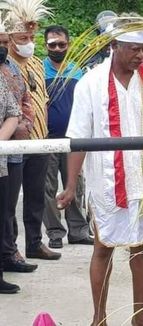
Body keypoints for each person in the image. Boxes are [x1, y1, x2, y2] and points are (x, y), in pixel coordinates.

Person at [56, 15, 143, 326]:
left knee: (141, 247)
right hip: (106, 182)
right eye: (134, 49)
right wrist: (70, 187)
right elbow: (78, 139)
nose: (141, 56)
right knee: (103, 247)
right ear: (114, 46)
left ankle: (140, 316)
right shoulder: (90, 83)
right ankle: (99, 317)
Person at [3, 0, 61, 261]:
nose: (28, 41)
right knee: (9, 201)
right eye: (22, 37)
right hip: (14, 143)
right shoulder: (6, 66)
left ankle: (35, 243)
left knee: (36, 196)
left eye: (31, 36)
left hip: (40, 140)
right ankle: (10, 248)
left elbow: (42, 99)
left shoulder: (37, 63)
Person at [42, 25, 93, 249]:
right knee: (48, 186)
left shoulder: (77, 72)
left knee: (75, 184)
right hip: (46, 139)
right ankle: (54, 232)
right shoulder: (38, 70)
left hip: (73, 139)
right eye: (52, 45)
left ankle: (78, 230)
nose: (57, 48)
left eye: (61, 44)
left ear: (68, 44)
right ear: (45, 46)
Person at [0, 16, 38, 273]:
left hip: (10, 149)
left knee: (7, 208)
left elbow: (20, 104)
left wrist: (17, 128)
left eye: (4, 42)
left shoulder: (10, 69)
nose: (3, 47)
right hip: (7, 147)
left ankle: (8, 254)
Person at [0, 15, 22, 294]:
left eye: (6, 42)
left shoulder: (2, 79)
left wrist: (0, 140)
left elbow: (13, 113)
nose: (3, 47)